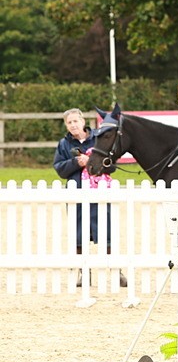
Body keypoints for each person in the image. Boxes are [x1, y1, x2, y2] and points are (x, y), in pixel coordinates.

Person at [53, 108, 121, 285]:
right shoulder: (64, 144)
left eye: (76, 121)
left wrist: (93, 162)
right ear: (66, 125)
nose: (73, 125)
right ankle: (84, 272)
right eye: (69, 122)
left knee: (106, 232)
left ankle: (116, 270)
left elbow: (112, 165)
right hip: (77, 195)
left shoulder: (98, 139)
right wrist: (76, 162)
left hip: (99, 193)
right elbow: (60, 168)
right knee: (79, 235)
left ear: (83, 122)